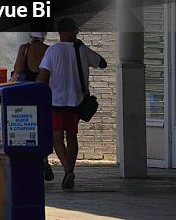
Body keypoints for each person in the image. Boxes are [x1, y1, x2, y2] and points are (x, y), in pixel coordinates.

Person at [37, 18, 107, 190]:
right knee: (72, 136)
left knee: (57, 139)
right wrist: (81, 46)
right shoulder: (81, 50)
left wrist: (34, 91)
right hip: (77, 102)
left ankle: (68, 170)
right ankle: (70, 170)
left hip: (57, 101)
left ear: (60, 33)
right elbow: (102, 63)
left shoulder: (53, 51)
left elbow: (43, 76)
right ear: (71, 32)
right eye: (75, 31)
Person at [15, 31, 53, 180]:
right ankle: (44, 160)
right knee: (43, 126)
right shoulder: (48, 49)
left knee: (28, 126)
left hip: (27, 93)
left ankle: (30, 160)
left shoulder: (24, 48)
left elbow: (18, 69)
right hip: (44, 92)